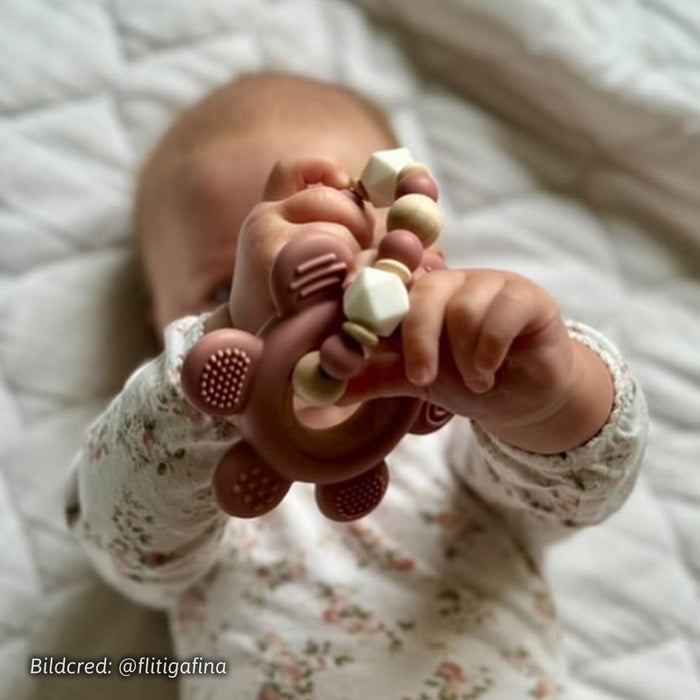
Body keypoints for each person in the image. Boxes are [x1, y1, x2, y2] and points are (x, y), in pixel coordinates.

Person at [65, 71, 647, 699]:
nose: (301, 297)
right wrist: (223, 343)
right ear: (159, 319)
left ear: (410, 258)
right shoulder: (191, 472)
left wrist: (553, 396)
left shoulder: (456, 425)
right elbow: (124, 549)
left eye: (348, 258)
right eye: (221, 285)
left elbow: (576, 496)